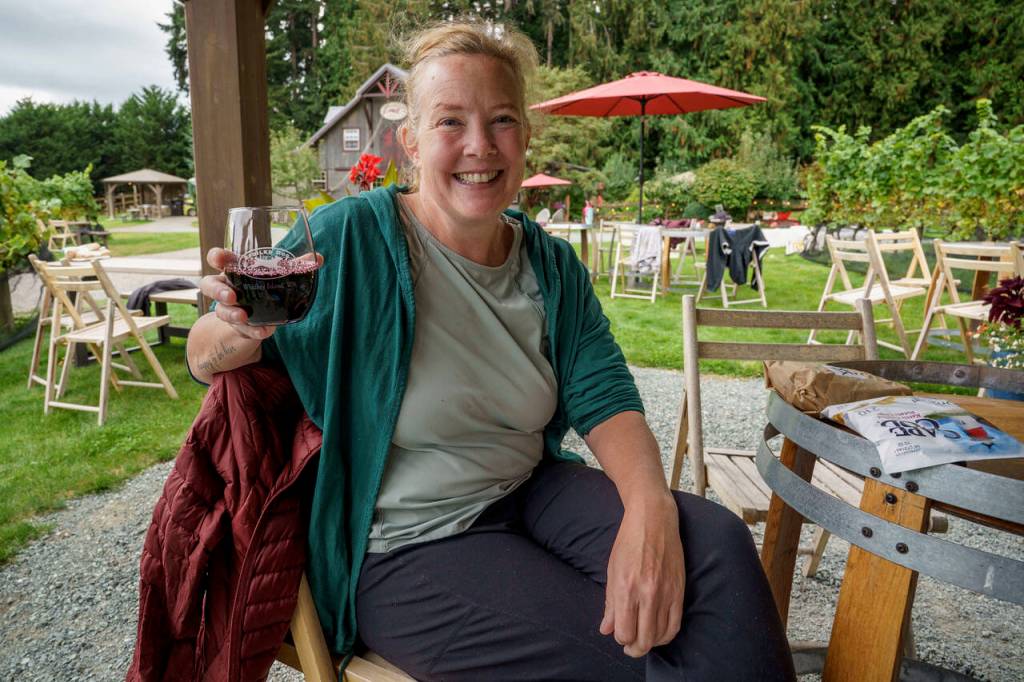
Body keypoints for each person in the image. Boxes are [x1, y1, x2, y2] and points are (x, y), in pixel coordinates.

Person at [186, 20, 794, 682]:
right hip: (405, 543)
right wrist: (234, 329)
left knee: (717, 547)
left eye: (501, 120)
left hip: (528, 491)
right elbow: (204, 353)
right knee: (630, 655)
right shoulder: (350, 239)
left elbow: (605, 397)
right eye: (451, 122)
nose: (480, 145)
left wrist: (649, 513)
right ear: (410, 143)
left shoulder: (551, 266)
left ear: (525, 138)